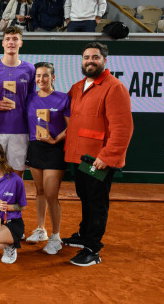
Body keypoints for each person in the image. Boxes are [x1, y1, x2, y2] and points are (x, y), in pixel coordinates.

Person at [63, 42, 133, 266]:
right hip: (80, 157)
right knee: (85, 196)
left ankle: (93, 248)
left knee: (96, 202)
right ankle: (84, 235)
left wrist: (107, 156)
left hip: (98, 160)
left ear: (105, 60)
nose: (90, 61)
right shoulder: (77, 87)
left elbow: (123, 128)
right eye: (86, 57)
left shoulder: (115, 87)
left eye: (95, 57)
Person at [24, 62, 70, 255]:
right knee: (40, 190)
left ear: (52, 78)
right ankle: (41, 229)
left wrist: (55, 140)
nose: (40, 79)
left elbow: (71, 126)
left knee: (51, 194)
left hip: (55, 149)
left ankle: (56, 236)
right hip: (35, 147)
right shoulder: (29, 98)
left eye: (45, 76)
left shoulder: (63, 98)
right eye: (38, 76)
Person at [0, 26, 35, 177]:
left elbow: (34, 100)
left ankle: (13, 202)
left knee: (17, 174)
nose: (11, 42)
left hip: (20, 131)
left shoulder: (30, 69)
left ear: (21, 43)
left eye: (15, 39)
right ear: (2, 43)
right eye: (8, 39)